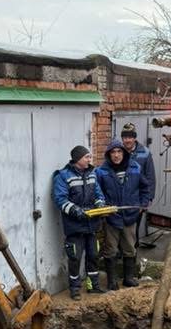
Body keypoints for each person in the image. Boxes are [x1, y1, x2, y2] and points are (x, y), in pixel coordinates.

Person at [53, 145, 106, 299]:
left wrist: (100, 203)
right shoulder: (63, 176)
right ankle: (75, 289)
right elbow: (60, 199)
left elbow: (98, 193)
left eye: (90, 157)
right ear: (77, 159)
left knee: (93, 255)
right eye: (87, 157)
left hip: (92, 225)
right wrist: (76, 211)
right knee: (75, 258)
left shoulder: (92, 174)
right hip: (75, 227)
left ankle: (93, 286)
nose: (90, 159)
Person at [95, 138, 149, 290]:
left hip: (130, 216)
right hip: (112, 217)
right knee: (110, 249)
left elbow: (145, 188)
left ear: (124, 153)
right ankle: (112, 281)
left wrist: (142, 205)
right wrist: (103, 209)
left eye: (119, 152)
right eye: (113, 152)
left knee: (130, 248)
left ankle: (129, 278)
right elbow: (97, 192)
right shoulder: (101, 171)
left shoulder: (135, 168)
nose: (116, 155)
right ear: (109, 154)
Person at [121, 123, 156, 204]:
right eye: (125, 137)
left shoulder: (145, 153)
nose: (127, 140)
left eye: (130, 137)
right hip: (122, 197)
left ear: (134, 138)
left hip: (139, 197)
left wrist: (149, 198)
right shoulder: (118, 152)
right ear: (122, 139)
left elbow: (150, 176)